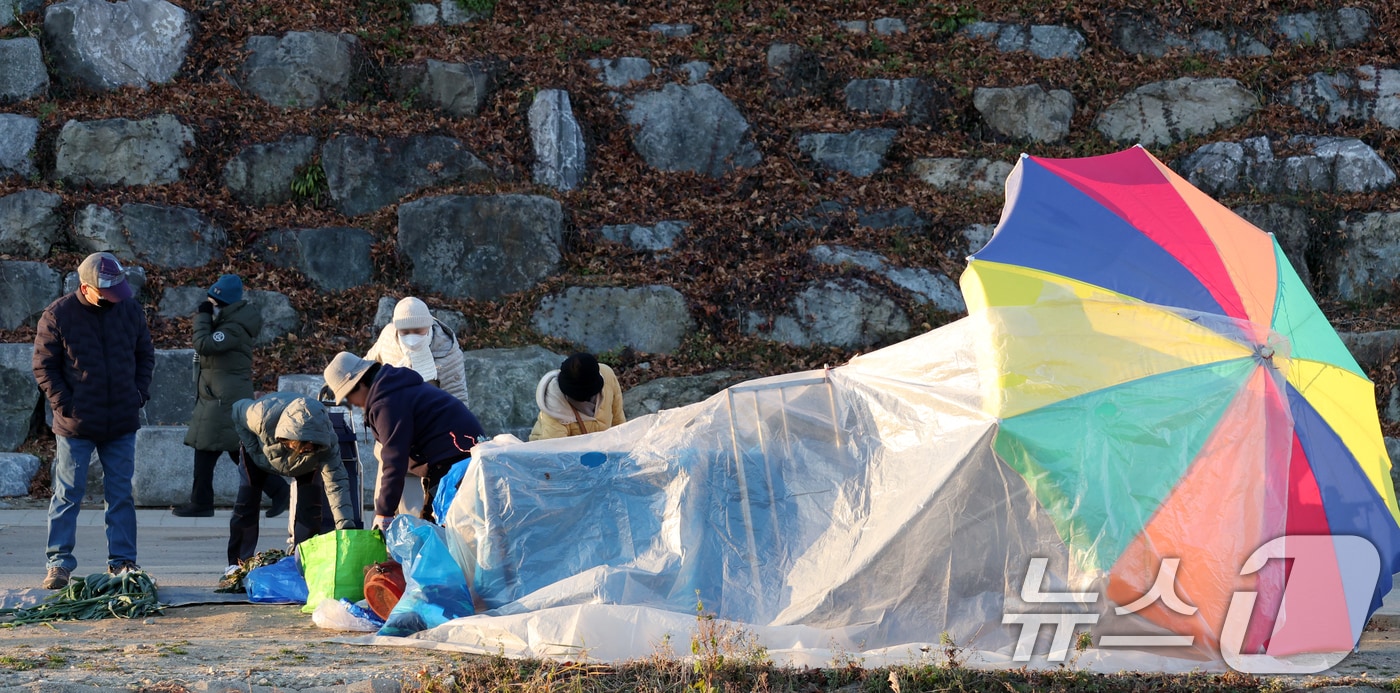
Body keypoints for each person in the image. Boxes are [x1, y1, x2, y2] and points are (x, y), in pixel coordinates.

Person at [32, 252, 155, 589]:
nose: (115, 298)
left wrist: (138, 394)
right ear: (86, 288)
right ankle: (58, 563)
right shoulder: (57, 315)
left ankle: (123, 562)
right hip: (76, 424)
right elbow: (44, 366)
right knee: (67, 493)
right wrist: (65, 405)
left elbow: (145, 354)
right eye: (107, 292)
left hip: (121, 421)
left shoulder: (130, 309)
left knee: (121, 495)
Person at [323, 351, 485, 529]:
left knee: (445, 529)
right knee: (434, 526)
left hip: (454, 459)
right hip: (461, 452)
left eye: (348, 397)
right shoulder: (394, 388)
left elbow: (394, 460)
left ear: (360, 383)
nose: (351, 403)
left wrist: (384, 513)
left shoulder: (386, 403)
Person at [174, 273, 289, 518]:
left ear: (222, 304)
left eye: (213, 304)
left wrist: (203, 316)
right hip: (217, 397)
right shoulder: (229, 323)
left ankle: (280, 492)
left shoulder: (234, 328)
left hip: (225, 400)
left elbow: (204, 344)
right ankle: (202, 502)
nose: (210, 309)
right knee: (213, 450)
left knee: (236, 452)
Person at [227, 393, 359, 573]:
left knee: (311, 508)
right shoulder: (260, 415)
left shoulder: (326, 443)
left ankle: (304, 562)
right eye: (301, 447)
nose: (304, 450)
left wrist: (346, 530)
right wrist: (253, 449)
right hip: (259, 453)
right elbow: (236, 408)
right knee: (246, 503)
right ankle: (237, 565)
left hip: (305, 466)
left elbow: (337, 484)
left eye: (309, 448)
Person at [365, 296, 470, 406]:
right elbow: (366, 365)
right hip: (392, 410)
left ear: (428, 326)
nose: (412, 338)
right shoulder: (388, 338)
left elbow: (458, 399)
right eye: (405, 332)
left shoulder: (449, 352)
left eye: (418, 331)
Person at [529, 353, 626, 441]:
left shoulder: (607, 374)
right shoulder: (555, 409)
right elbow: (556, 454)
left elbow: (618, 419)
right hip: (550, 452)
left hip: (596, 451)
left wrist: (623, 445)